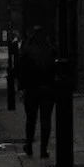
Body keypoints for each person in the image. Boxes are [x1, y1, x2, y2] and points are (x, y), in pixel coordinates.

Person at [14, 26, 57, 158]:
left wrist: (21, 88)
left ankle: (29, 145)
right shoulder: (51, 50)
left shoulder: (27, 50)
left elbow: (20, 70)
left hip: (31, 88)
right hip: (48, 89)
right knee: (46, 119)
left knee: (31, 119)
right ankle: (43, 149)